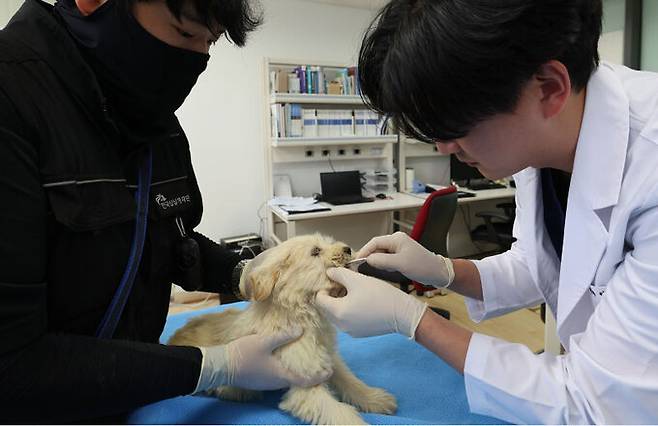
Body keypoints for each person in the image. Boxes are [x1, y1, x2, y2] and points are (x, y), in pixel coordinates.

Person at [316, 0, 658, 423]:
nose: (443, 148)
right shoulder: (539, 140)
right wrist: (444, 271)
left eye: (452, 125)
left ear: (549, 87)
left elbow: (594, 402)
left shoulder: (650, 170)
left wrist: (413, 319)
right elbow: (541, 266)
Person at [0, 0, 327, 422]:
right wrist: (211, 366)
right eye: (185, 33)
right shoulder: (13, 98)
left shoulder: (155, 123)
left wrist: (245, 274)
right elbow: (11, 363)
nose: (197, 60)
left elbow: (167, 241)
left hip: (134, 395)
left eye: (209, 44)